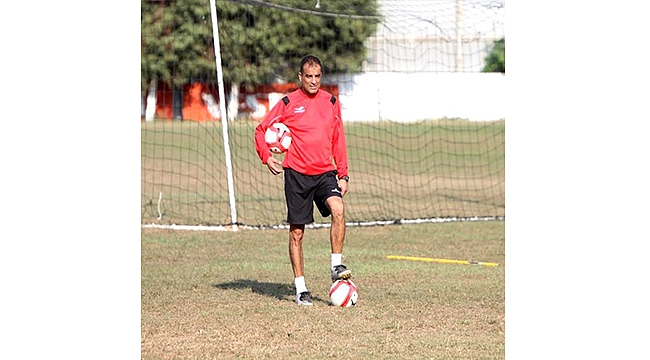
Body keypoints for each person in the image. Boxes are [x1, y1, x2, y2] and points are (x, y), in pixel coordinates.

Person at [254, 54, 352, 306]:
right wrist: (266, 156)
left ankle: (336, 265)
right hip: (297, 174)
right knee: (297, 232)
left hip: (324, 173)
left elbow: (338, 138)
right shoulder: (288, 103)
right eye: (308, 76)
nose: (313, 81)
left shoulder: (331, 102)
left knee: (338, 208)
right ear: (300, 77)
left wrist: (343, 173)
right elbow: (261, 129)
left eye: (317, 76)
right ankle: (301, 289)